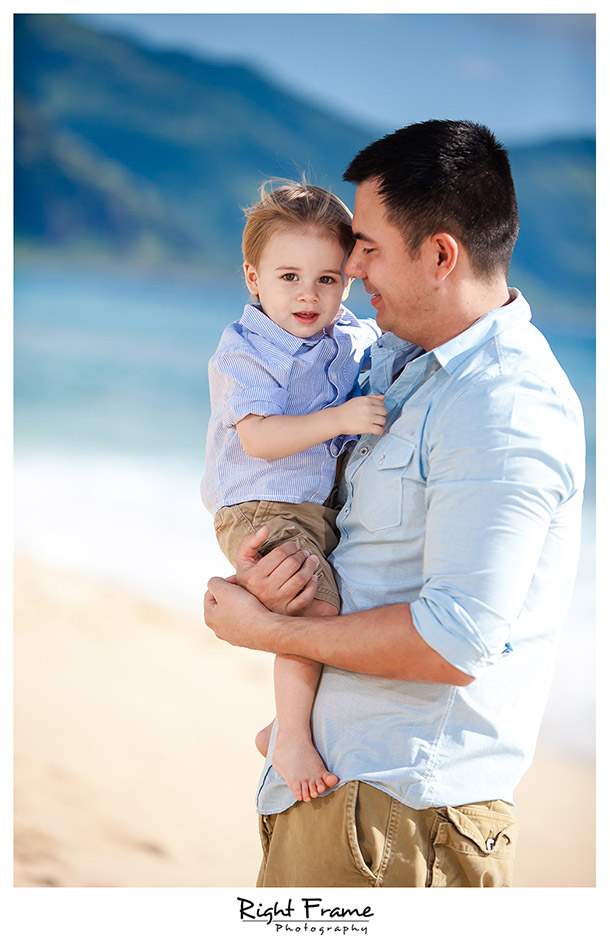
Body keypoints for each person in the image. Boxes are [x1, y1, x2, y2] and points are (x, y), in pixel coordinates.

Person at [204, 121, 586, 888]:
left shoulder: (502, 407)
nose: (349, 265)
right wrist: (265, 568)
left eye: (368, 246)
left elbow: (454, 642)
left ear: (441, 254)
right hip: (344, 801)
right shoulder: (396, 364)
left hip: (400, 821)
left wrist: (266, 628)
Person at [201, 181, 384, 803]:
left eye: (328, 279)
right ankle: (290, 736)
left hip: (314, 507)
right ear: (253, 278)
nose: (308, 294)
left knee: (342, 605)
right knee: (313, 608)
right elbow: (258, 439)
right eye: (288, 277)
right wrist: (339, 420)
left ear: (349, 281)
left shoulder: (353, 339)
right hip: (260, 503)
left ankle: (287, 724)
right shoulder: (245, 349)